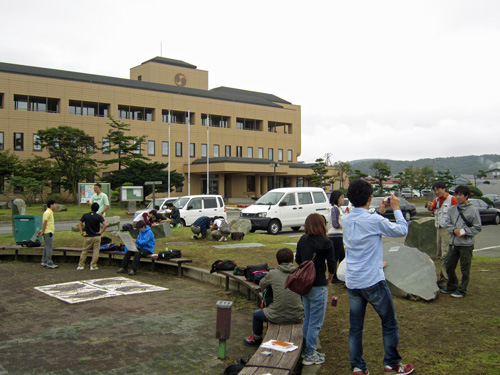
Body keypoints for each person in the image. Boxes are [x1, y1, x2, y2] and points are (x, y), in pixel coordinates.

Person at [342, 179, 414, 375]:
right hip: (373, 281)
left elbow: (366, 222)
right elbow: (402, 229)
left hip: (353, 281)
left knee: (355, 327)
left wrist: (379, 211)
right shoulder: (373, 221)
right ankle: (392, 364)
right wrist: (396, 208)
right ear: (370, 198)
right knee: (389, 323)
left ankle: (358, 367)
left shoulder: (346, 219)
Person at [295, 213, 335, 366]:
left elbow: (298, 259)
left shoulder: (302, 240)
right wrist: (329, 277)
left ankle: (307, 349)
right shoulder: (326, 242)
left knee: (308, 318)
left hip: (305, 285)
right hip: (318, 284)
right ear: (322, 225)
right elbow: (332, 264)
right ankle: (310, 354)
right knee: (315, 322)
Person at [244, 248, 304, 346]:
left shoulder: (273, 274)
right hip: (297, 315)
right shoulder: (299, 274)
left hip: (276, 315)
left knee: (256, 315)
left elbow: (262, 284)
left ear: (278, 261)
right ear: (292, 260)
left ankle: (256, 338)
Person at [442, 185, 482, 298]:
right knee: (449, 265)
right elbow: (447, 223)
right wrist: (454, 230)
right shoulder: (453, 209)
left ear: (466, 196)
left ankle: (462, 289)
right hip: (454, 243)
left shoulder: (473, 210)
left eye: (460, 195)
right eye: (456, 194)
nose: (458, 197)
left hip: (466, 244)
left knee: (465, 268)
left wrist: (464, 232)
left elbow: (477, 227)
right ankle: (451, 285)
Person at [427, 181, 458, 287]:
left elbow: (457, 214)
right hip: (438, 228)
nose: (436, 192)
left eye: (438, 189)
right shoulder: (436, 200)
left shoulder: (452, 199)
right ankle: (444, 277)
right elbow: (432, 210)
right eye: (435, 190)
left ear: (444, 189)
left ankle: (447, 278)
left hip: (448, 229)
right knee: (440, 254)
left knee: (446, 254)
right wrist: (429, 206)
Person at [77, 202, 108, 271]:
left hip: (88, 236)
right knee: (96, 251)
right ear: (98, 209)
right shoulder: (99, 216)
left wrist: (82, 233)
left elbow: (79, 224)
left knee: (85, 250)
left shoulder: (85, 215)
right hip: (96, 236)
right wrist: (101, 232)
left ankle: (81, 265)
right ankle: (93, 265)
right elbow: (105, 224)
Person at [328, 190, 345, 284]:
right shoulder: (334, 209)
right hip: (335, 236)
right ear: (336, 198)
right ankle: (333, 277)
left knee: (342, 256)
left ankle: (340, 276)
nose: (343, 199)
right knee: (336, 257)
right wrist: (345, 225)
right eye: (341, 197)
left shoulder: (338, 209)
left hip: (338, 236)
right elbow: (335, 224)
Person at [38, 199, 58, 269]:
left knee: (47, 247)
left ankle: (44, 261)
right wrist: (43, 230)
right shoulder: (48, 212)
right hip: (48, 232)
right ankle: (49, 262)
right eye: (55, 204)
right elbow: (44, 222)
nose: (56, 206)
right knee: (49, 247)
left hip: (48, 231)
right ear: (51, 205)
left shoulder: (50, 212)